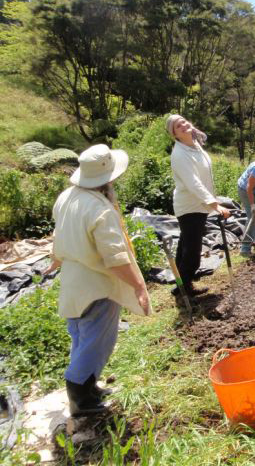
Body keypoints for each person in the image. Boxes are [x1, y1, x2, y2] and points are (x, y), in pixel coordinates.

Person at [46, 144, 151, 417]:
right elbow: (114, 258)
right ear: (108, 177)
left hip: (72, 280)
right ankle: (81, 398)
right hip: (97, 285)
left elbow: (60, 234)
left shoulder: (67, 196)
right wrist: (139, 286)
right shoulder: (99, 210)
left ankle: (88, 387)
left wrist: (56, 258)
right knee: (96, 342)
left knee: (81, 338)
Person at [167, 114, 230, 300]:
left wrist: (212, 200)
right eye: (178, 126)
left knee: (185, 246)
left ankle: (180, 286)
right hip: (189, 206)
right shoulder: (179, 154)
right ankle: (184, 289)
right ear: (174, 134)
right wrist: (214, 204)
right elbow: (192, 182)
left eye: (184, 121)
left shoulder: (195, 145)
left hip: (199, 204)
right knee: (192, 251)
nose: (183, 125)